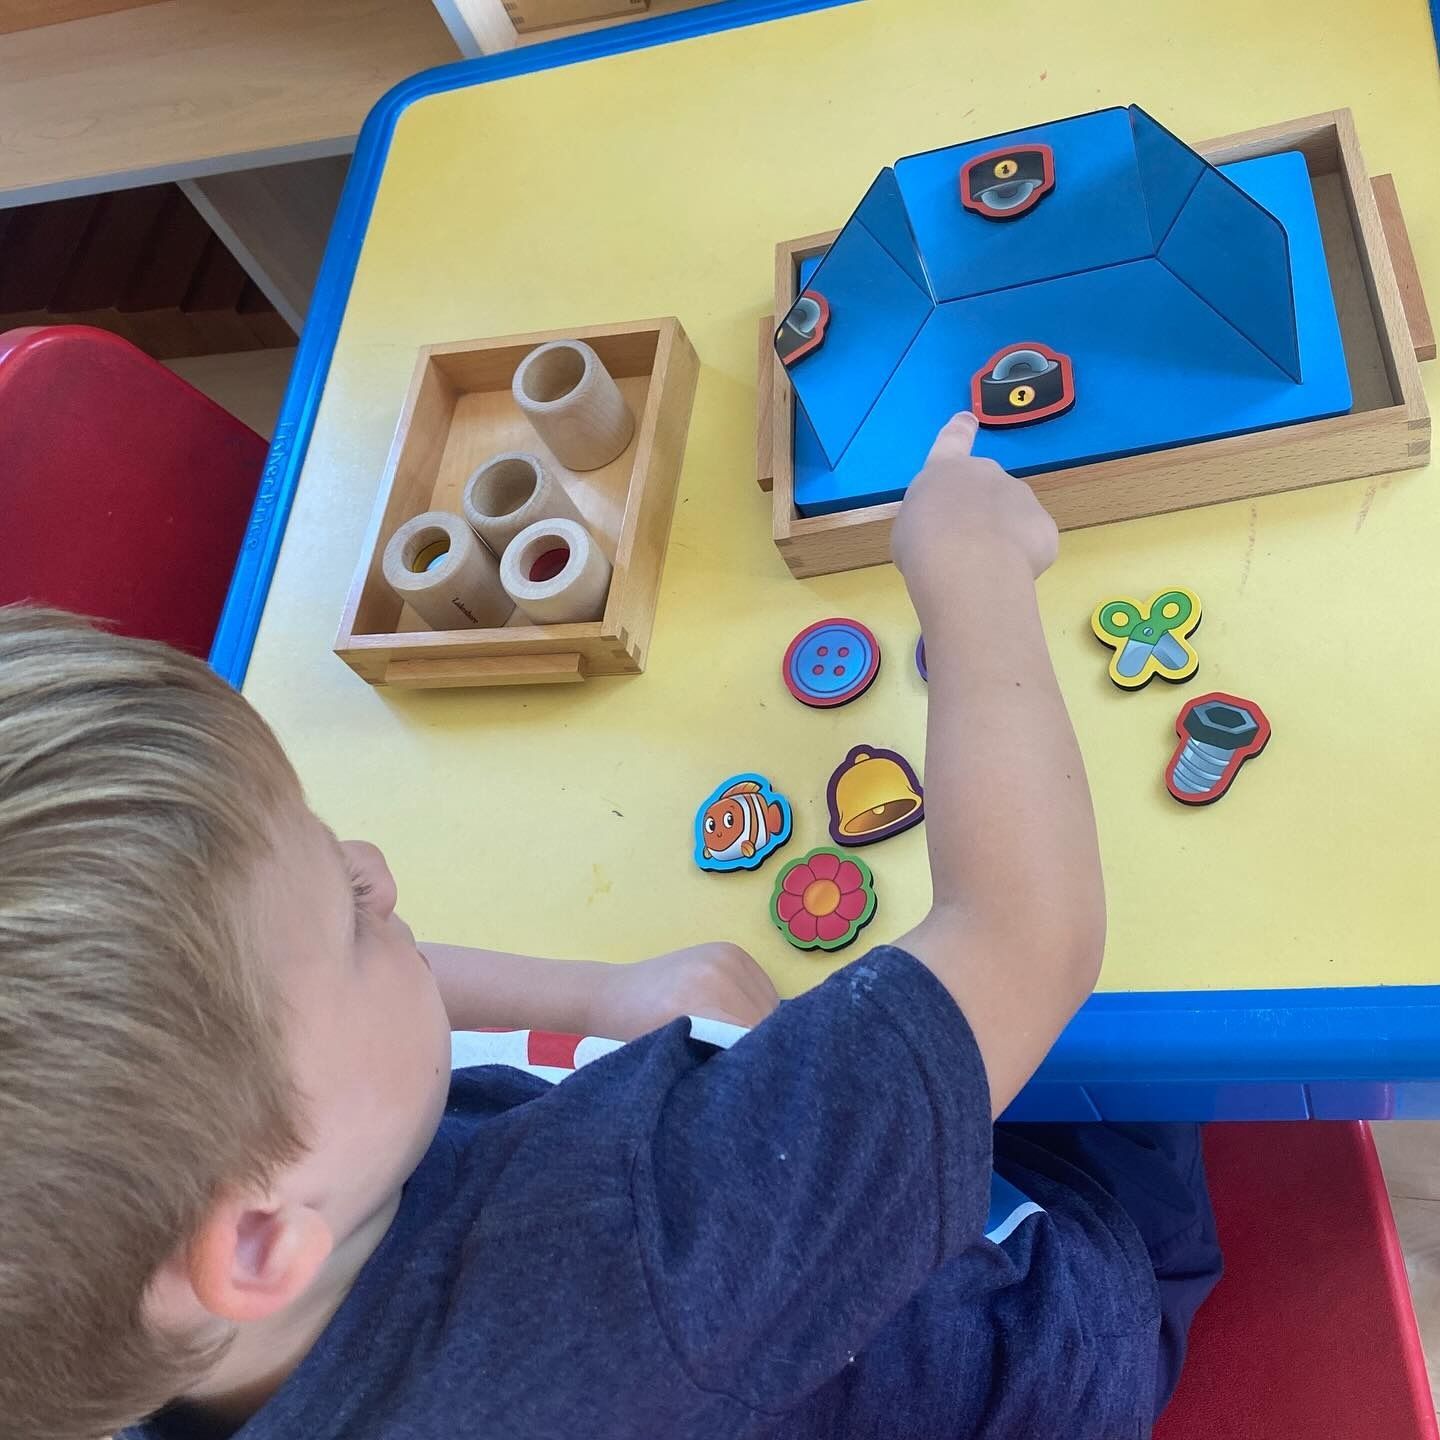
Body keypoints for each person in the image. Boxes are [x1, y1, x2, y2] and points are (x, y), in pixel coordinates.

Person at [0, 413, 1218, 1440]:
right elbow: (1026, 936)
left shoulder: (141, 1327)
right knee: (1163, 1014)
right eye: (347, 910)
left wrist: (587, 1002)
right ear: (261, 1242)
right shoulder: (644, 1250)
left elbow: (306, 1039)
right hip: (1037, 1341)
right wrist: (973, 579)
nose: (374, 868)